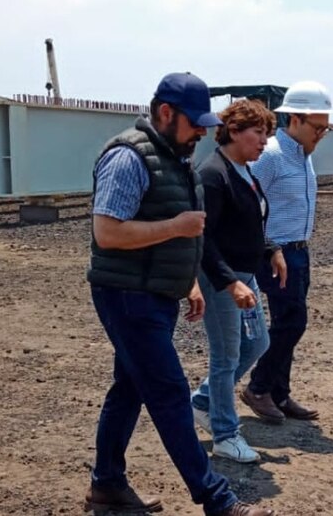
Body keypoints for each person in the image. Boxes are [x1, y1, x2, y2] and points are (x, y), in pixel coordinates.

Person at [85, 72, 274, 516]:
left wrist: (188, 279)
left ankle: (107, 485)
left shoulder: (174, 156)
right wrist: (177, 228)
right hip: (127, 294)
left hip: (153, 294)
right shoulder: (128, 156)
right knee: (170, 392)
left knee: (129, 390)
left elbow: (172, 230)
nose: (204, 133)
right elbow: (107, 231)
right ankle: (219, 502)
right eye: (196, 124)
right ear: (166, 113)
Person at [190, 99, 287, 463]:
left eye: (267, 133)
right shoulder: (213, 174)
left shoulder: (245, 170)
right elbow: (204, 238)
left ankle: (202, 402)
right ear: (233, 131)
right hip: (221, 280)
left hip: (245, 277)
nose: (264, 141)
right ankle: (225, 436)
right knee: (226, 356)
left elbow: (249, 225)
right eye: (257, 132)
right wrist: (229, 282)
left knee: (257, 344)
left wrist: (271, 249)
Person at [242, 80, 333, 424]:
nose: (321, 135)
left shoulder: (302, 156)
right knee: (293, 322)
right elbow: (247, 202)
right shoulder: (271, 157)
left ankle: (279, 393)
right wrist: (268, 247)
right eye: (318, 128)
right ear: (294, 119)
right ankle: (259, 387)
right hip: (275, 253)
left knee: (287, 321)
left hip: (299, 251)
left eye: (325, 129)